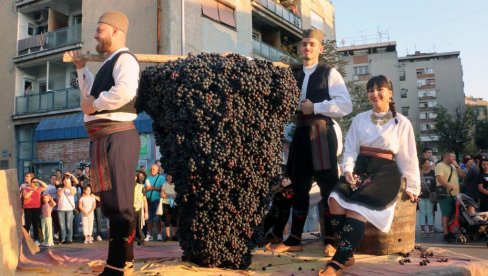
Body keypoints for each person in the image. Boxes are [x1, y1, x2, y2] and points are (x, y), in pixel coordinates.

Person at [320, 75, 420, 275]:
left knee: (358, 209)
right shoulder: (359, 119)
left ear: (390, 93)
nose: (375, 94)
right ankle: (347, 254)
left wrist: (412, 186)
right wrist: (347, 169)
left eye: (379, 89)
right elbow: (350, 150)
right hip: (360, 168)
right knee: (334, 201)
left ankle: (338, 261)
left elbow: (408, 157)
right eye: (370, 90)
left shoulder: (401, 122)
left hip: (385, 172)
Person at [67, 10, 141, 275]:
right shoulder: (109, 63)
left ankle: (116, 266)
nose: (96, 34)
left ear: (116, 31)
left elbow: (124, 92)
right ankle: (126, 260)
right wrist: (80, 68)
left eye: (100, 29)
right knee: (112, 203)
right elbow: (89, 96)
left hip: (117, 135)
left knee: (120, 204)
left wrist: (95, 105)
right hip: (104, 138)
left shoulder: (125, 60)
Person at [273, 29, 353, 255]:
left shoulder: (330, 72)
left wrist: (316, 107)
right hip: (299, 134)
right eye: (303, 44)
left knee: (328, 189)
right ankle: (294, 239)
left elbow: (345, 105)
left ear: (320, 48)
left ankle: (331, 240)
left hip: (321, 134)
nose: (306, 48)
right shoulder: (293, 72)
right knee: (299, 187)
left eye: (311, 44)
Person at [435, 151, 466, 242]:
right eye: (452, 156)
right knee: (446, 214)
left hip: (455, 194)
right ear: (446, 156)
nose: (454, 158)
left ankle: (451, 231)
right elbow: (439, 178)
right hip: (445, 194)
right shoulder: (440, 165)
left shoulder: (453, 166)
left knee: (453, 214)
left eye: (454, 156)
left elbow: (463, 175)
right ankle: (446, 233)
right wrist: (448, 186)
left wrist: (456, 166)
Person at [22, 173, 48, 245]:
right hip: (28, 209)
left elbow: (46, 186)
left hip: (36, 209)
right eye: (33, 182)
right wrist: (32, 190)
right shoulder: (26, 189)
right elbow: (26, 196)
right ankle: (25, 240)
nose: (34, 183)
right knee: (27, 225)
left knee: (36, 225)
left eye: (35, 182)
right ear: (30, 182)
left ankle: (36, 239)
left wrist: (39, 181)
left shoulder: (39, 189)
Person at [144, 164, 166, 241]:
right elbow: (144, 189)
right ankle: (149, 234)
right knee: (149, 218)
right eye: (151, 169)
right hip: (148, 200)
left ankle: (159, 234)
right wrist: (147, 189)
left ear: (157, 170)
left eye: (153, 169)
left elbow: (163, 188)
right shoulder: (148, 178)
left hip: (157, 200)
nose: (152, 170)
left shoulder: (161, 178)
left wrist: (153, 188)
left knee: (157, 218)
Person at [57, 173, 78, 244]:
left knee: (69, 225)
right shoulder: (60, 188)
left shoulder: (73, 188)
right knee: (62, 225)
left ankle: (70, 239)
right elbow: (59, 194)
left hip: (69, 209)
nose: (66, 182)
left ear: (70, 182)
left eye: (68, 181)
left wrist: (69, 187)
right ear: (63, 182)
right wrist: (64, 187)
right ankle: (63, 239)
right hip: (60, 209)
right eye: (65, 181)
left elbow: (72, 193)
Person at [418, 157, 436, 238]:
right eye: (426, 163)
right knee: (422, 213)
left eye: (429, 163)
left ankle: (431, 229)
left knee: (429, 212)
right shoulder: (417, 173)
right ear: (422, 164)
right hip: (420, 196)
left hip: (430, 196)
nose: (428, 164)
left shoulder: (433, 172)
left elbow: (435, 184)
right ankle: (422, 230)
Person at [161, 175, 178, 241]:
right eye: (169, 177)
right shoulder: (164, 184)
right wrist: (171, 195)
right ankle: (167, 236)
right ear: (167, 178)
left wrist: (167, 194)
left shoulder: (176, 185)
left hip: (174, 204)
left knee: (174, 220)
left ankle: (174, 236)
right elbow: (162, 195)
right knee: (167, 220)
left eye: (171, 177)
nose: (170, 178)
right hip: (166, 204)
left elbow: (176, 195)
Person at [134, 171, 149, 245]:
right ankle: (137, 238)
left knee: (139, 225)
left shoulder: (141, 187)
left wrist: (146, 212)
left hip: (139, 208)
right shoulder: (127, 187)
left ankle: (141, 239)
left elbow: (144, 200)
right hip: (130, 209)